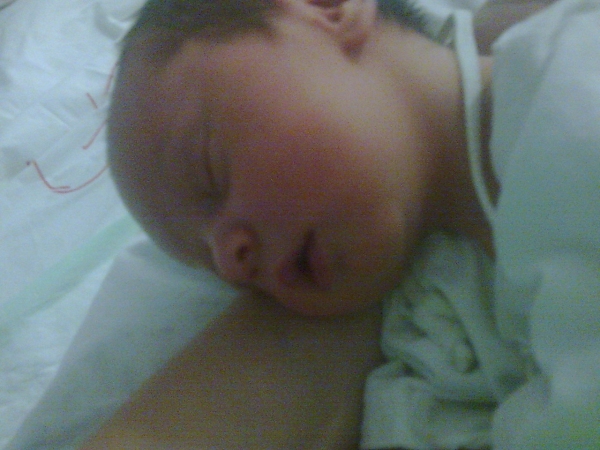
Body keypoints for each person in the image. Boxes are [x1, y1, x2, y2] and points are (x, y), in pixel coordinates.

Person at [81, 0, 600, 448]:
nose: (231, 261)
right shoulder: (426, 326)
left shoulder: (567, 80)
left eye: (209, 170)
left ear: (328, 9)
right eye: (214, 267)